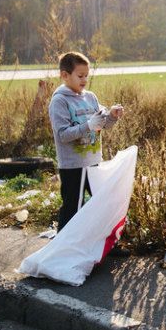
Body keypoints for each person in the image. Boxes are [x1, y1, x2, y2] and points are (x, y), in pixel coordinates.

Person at [49, 51, 124, 231]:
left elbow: (102, 123)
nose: (84, 80)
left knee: (103, 205)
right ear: (65, 75)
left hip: (94, 163)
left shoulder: (90, 97)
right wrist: (88, 125)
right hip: (73, 166)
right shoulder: (59, 101)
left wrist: (112, 116)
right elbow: (63, 135)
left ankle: (108, 245)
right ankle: (63, 248)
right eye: (80, 76)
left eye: (86, 76)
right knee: (73, 208)